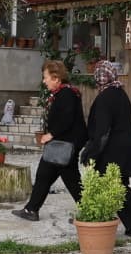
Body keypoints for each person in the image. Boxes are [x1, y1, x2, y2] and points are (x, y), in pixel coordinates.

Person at [13, 60, 87, 222]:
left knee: (70, 180)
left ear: (56, 78)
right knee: (44, 176)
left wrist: (50, 135)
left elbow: (66, 119)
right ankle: (31, 209)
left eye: (46, 77)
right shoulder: (64, 93)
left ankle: (90, 212)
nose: (44, 80)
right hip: (62, 145)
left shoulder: (66, 94)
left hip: (63, 145)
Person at [81, 60, 131, 236]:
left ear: (99, 78)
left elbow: (103, 131)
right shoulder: (120, 93)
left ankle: (130, 222)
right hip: (124, 148)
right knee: (119, 185)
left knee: (113, 185)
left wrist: (91, 153)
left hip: (111, 150)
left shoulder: (105, 98)